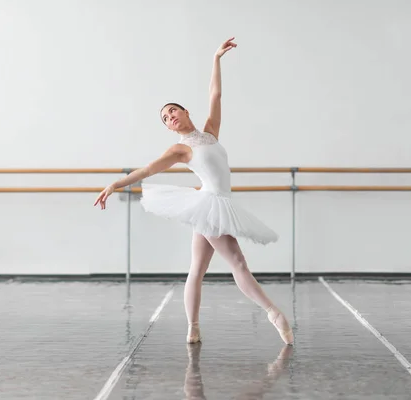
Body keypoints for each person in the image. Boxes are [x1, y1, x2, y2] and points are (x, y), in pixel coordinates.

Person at [94, 37, 293, 346]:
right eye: (165, 118)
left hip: (212, 203)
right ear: (170, 128)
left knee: (197, 269)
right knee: (238, 263)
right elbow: (146, 170)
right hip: (211, 206)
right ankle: (274, 313)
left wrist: (216, 57)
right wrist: (114, 184)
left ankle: (193, 328)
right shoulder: (180, 149)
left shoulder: (211, 133)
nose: (170, 116)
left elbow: (216, 94)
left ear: (186, 112)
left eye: (173, 111)